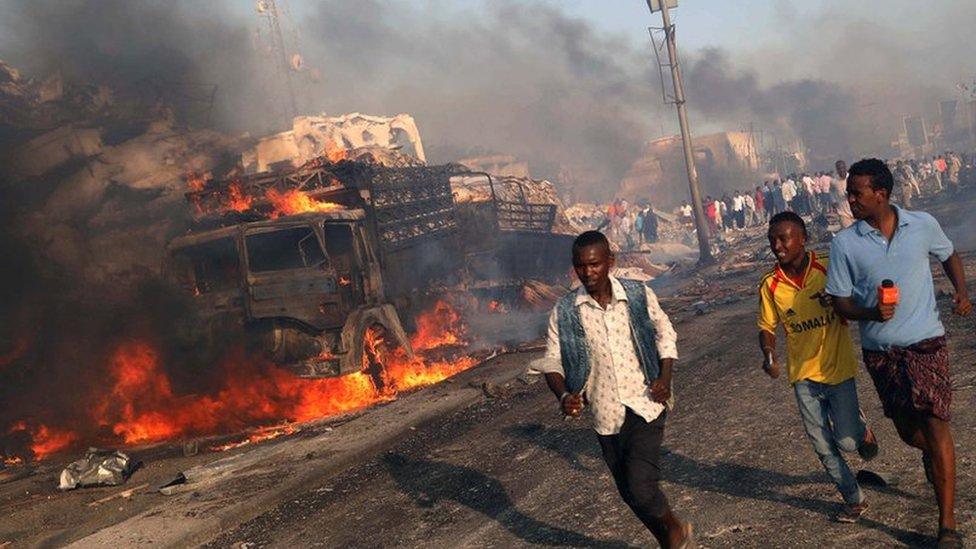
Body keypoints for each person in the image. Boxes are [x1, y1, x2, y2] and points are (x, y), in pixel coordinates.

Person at [826, 158, 972, 548]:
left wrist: (961, 291)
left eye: (856, 193)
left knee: (937, 424)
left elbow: (949, 254)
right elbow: (840, 302)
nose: (850, 200)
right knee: (910, 432)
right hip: (882, 353)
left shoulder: (922, 224)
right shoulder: (844, 244)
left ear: (882, 194)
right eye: (848, 193)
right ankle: (931, 456)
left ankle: (948, 526)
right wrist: (870, 311)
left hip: (927, 343)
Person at [527, 231, 694, 548]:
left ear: (610, 263)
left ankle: (673, 528)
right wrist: (564, 395)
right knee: (629, 494)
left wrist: (665, 378)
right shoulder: (565, 311)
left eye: (594, 265)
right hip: (605, 413)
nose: (587, 273)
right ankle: (672, 538)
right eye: (580, 266)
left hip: (645, 402)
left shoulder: (637, 295)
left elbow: (665, 333)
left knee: (641, 485)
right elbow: (552, 361)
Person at [757, 212, 879, 522]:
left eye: (784, 238)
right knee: (823, 446)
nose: (778, 246)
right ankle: (854, 499)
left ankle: (860, 428)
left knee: (847, 442)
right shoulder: (770, 285)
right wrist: (769, 355)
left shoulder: (828, 265)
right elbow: (767, 327)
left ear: (803, 239)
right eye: (773, 240)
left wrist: (837, 299)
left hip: (838, 370)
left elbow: (856, 297)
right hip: (803, 377)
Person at [833, 161, 854, 229]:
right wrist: (833, 201)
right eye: (839, 169)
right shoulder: (834, 181)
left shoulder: (852, 178)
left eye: (842, 168)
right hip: (843, 213)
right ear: (837, 170)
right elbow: (830, 192)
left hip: (855, 212)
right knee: (848, 234)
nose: (841, 170)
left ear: (845, 168)